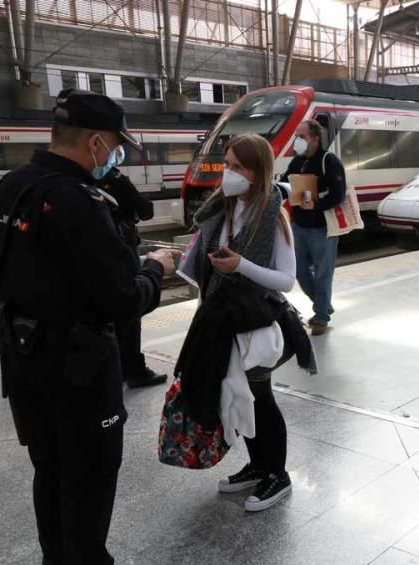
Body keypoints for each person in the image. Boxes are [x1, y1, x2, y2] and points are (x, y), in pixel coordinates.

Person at [0, 89, 179, 565]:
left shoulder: (9, 187)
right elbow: (122, 300)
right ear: (96, 142)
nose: (113, 155)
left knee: (49, 469)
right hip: (79, 365)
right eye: (114, 145)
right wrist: (156, 268)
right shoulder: (78, 201)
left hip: (23, 359)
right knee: (90, 473)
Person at [184, 133, 298, 512]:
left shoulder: (273, 215)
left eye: (237, 167)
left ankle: (277, 474)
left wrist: (241, 266)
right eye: (227, 164)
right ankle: (258, 465)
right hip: (222, 319)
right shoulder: (224, 209)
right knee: (238, 396)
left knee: (261, 397)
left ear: (257, 171)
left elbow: (286, 280)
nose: (228, 173)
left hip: (257, 321)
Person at [99, 167, 166, 388]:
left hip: (104, 256)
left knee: (111, 315)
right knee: (130, 313)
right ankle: (135, 370)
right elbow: (145, 210)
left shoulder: (79, 182)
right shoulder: (115, 179)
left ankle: (119, 369)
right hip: (123, 252)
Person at [280, 119, 346, 335]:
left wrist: (317, 205)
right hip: (299, 226)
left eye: (302, 137)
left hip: (323, 228)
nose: (297, 141)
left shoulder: (330, 161)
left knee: (322, 274)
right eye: (297, 136)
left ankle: (321, 316)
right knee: (299, 271)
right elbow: (284, 183)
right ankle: (323, 304)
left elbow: (339, 195)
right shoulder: (297, 162)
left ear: (315, 139)